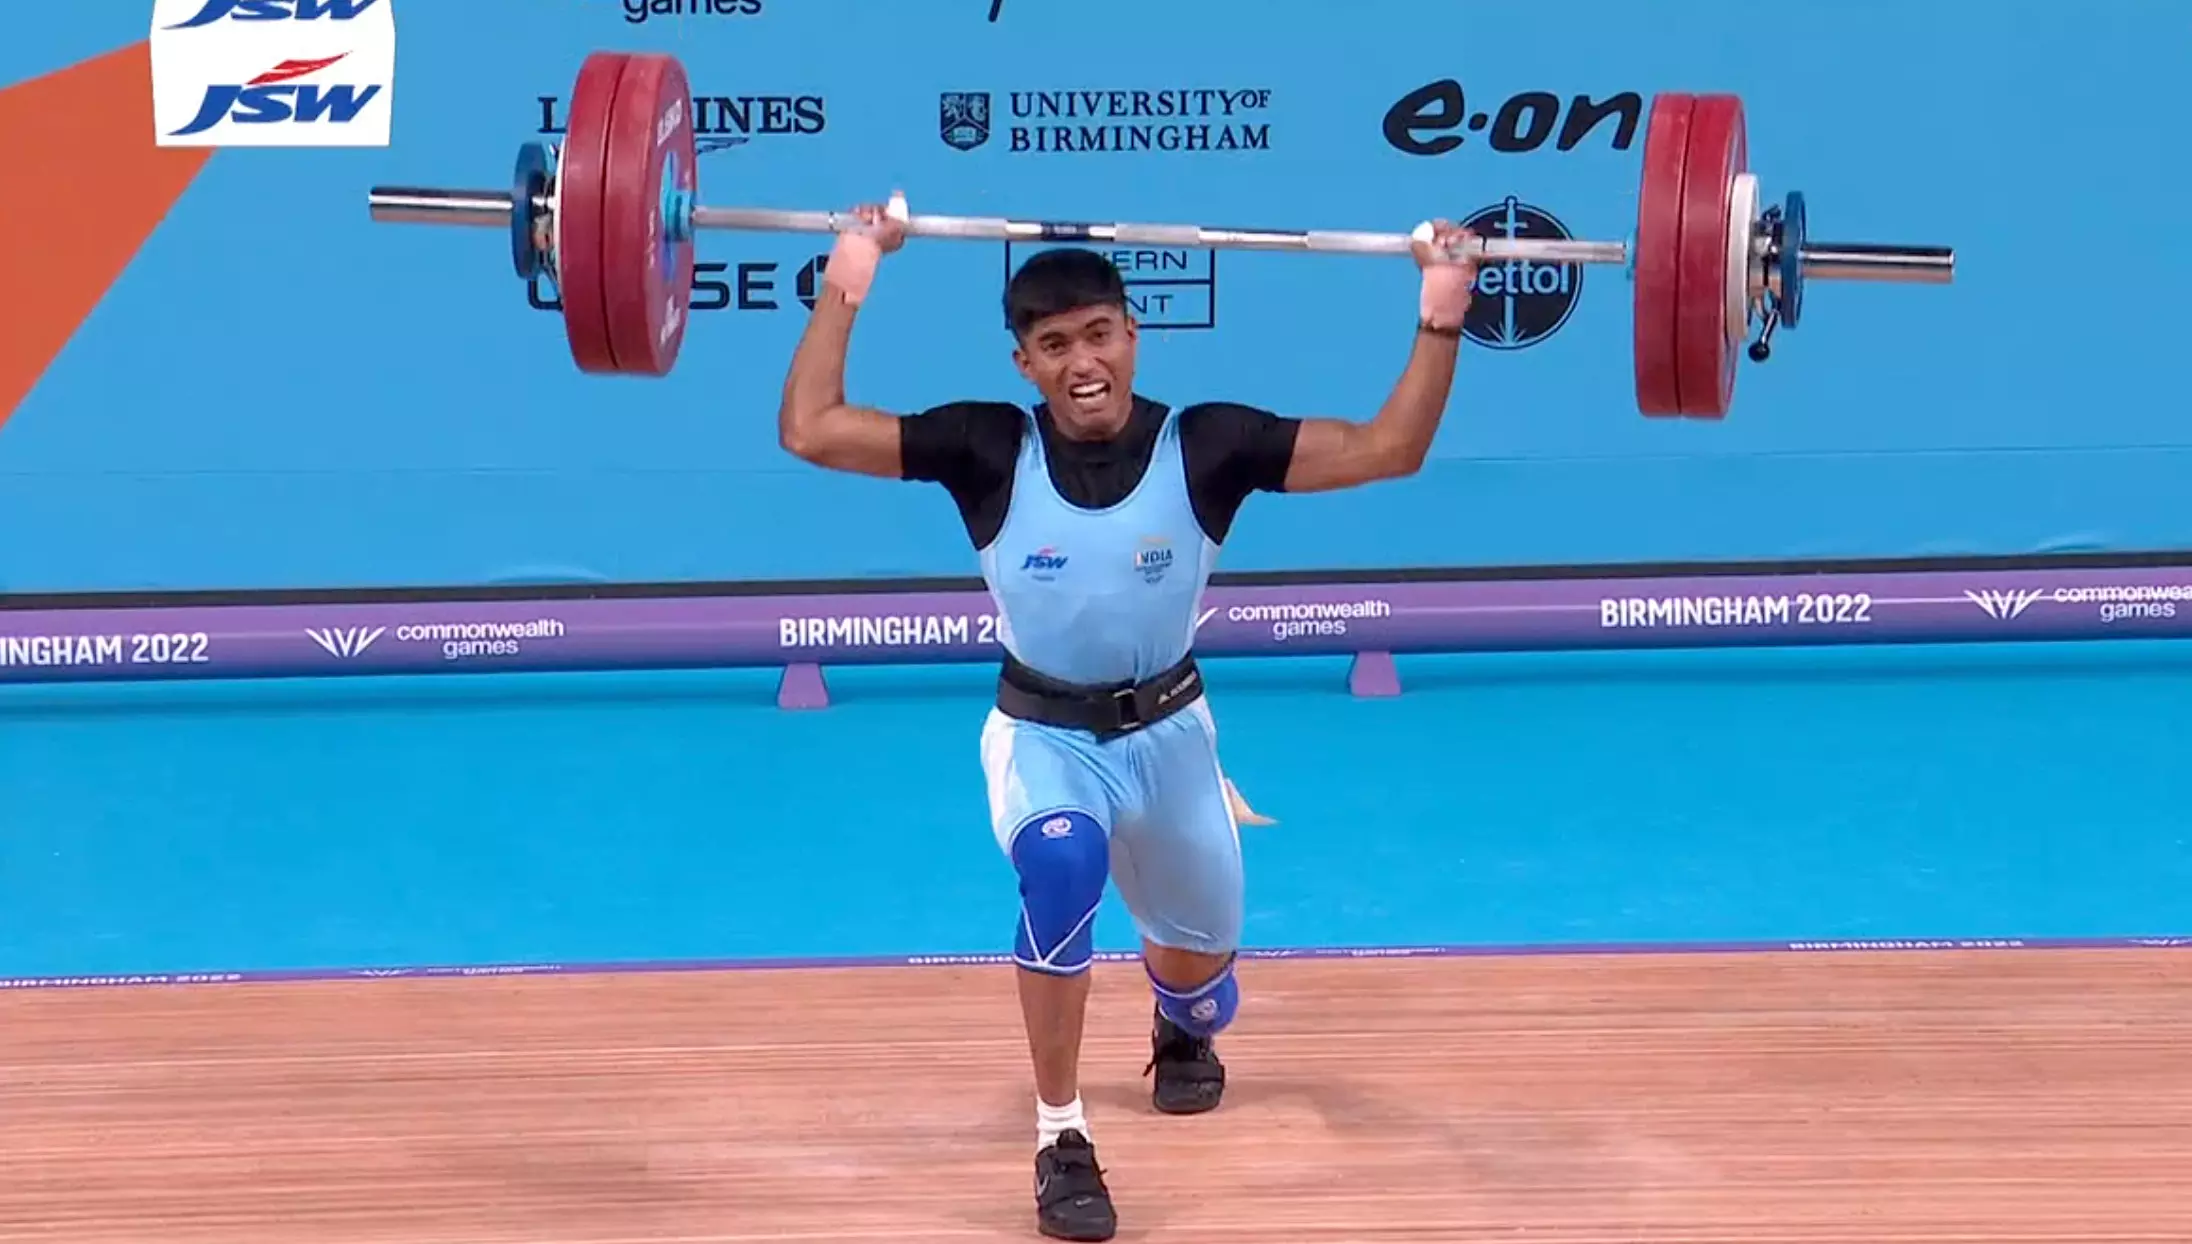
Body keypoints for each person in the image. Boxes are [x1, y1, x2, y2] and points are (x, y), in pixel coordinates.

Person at [777, 192, 1479, 1241]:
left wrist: (1442, 305)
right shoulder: (985, 446)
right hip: (1043, 737)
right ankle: (1060, 1136)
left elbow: (1390, 448)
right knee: (1061, 864)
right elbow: (811, 427)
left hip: (1170, 741)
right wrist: (852, 270)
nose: (1083, 363)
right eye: (1055, 345)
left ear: (1132, 335)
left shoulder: (1208, 445)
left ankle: (1182, 1018)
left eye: (1098, 334)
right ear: (1024, 362)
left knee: (1201, 972)